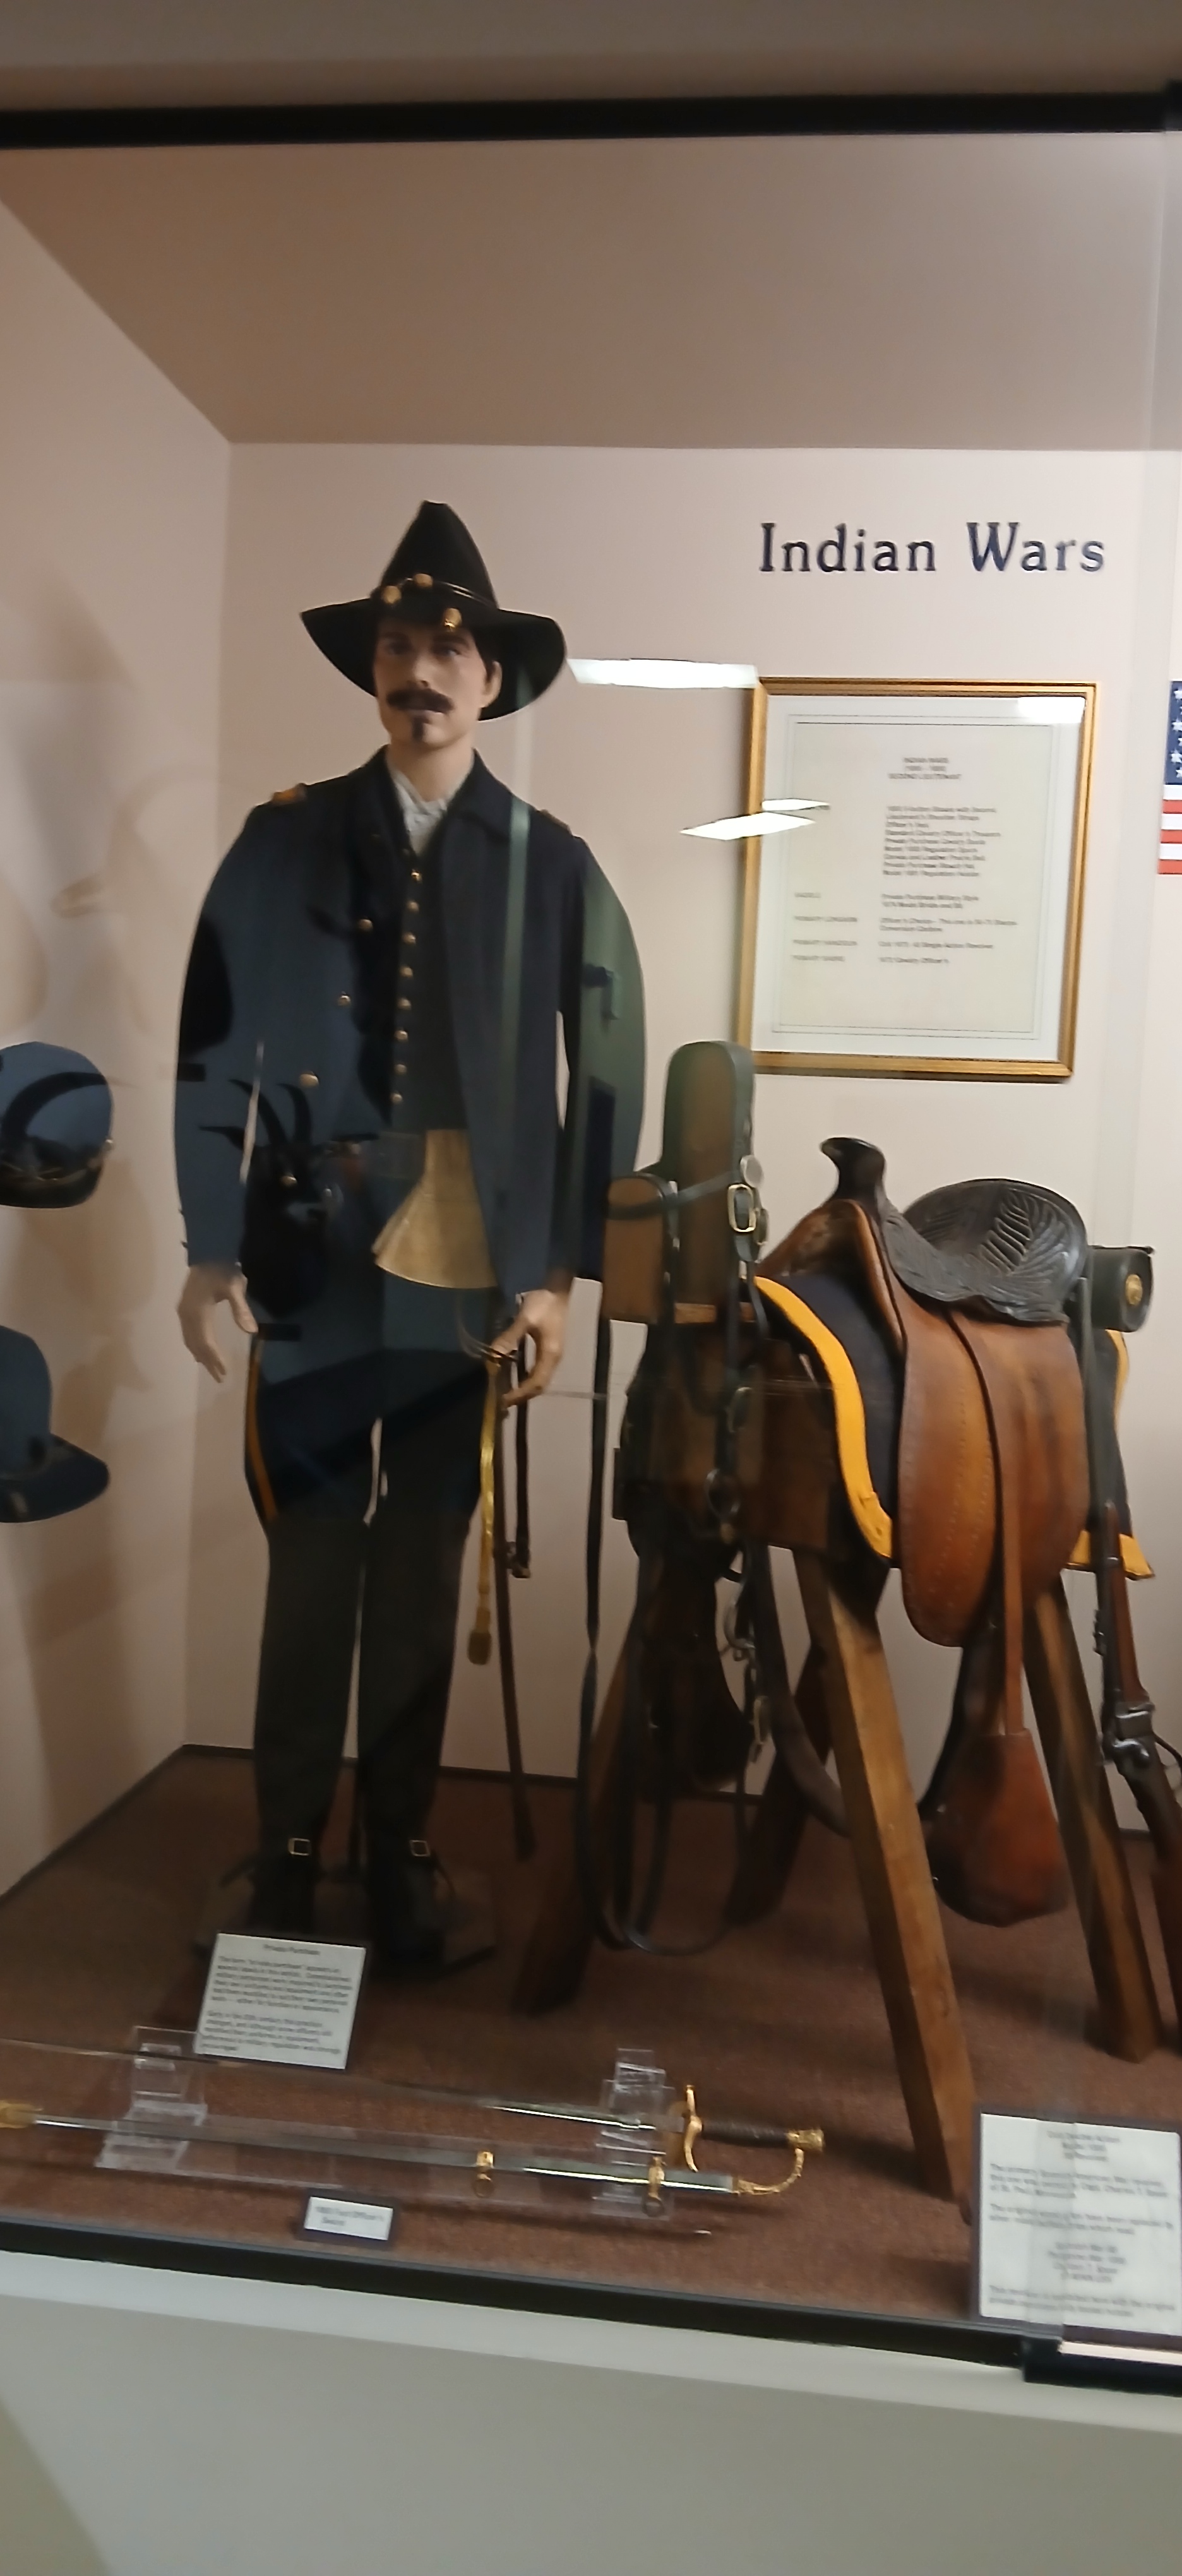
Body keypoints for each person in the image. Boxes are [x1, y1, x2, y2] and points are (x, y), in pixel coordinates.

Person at [174, 501, 644, 1966]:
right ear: (371, 669)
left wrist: (559, 1273)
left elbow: (609, 1071)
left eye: (448, 649)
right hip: (309, 1263)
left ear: (491, 679)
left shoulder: (552, 861)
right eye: (397, 645)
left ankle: (398, 1855)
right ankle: (286, 1857)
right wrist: (207, 1243)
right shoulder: (285, 838)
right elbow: (211, 1046)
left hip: (466, 1275)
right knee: (313, 1558)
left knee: (425, 1565)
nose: (420, 671)